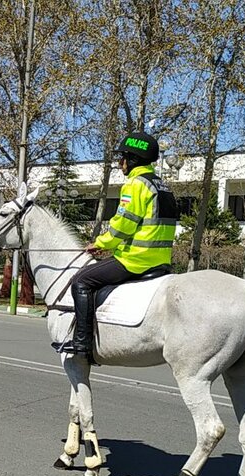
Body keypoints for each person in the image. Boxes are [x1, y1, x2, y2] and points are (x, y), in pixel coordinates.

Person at [59, 131, 177, 357]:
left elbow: (124, 225)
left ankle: (82, 343)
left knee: (81, 281)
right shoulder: (162, 186)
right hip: (161, 261)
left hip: (135, 260)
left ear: (133, 159)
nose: (119, 162)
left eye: (122, 157)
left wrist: (100, 243)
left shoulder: (135, 185)